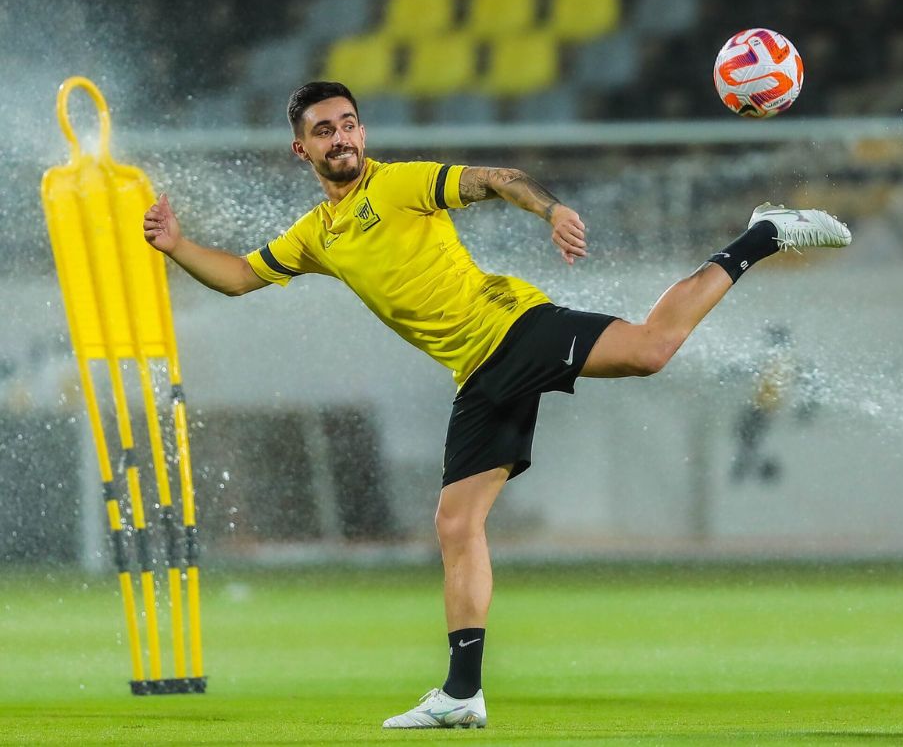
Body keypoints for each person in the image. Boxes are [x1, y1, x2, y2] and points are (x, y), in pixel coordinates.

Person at [142, 81, 851, 729]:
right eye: (325, 131)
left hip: (512, 327)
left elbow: (494, 179)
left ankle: (763, 233)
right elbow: (238, 277)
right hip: (478, 374)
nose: (342, 139)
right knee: (455, 523)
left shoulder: (402, 184)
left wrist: (551, 209)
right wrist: (175, 245)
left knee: (649, 350)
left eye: (350, 124)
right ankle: (461, 693)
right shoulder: (315, 237)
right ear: (303, 148)